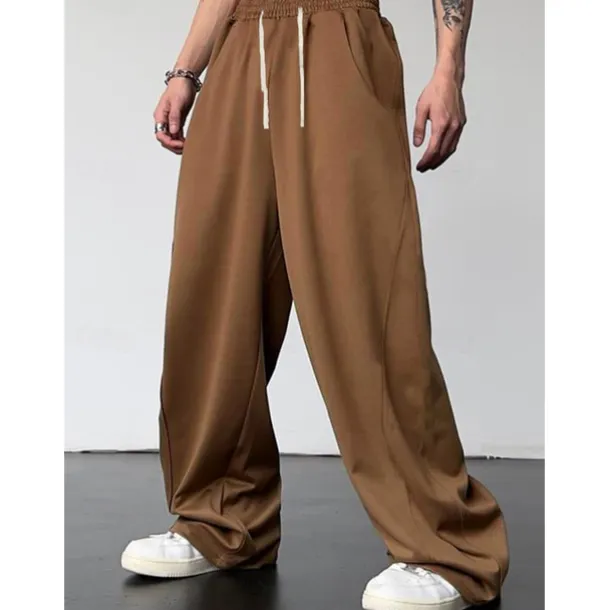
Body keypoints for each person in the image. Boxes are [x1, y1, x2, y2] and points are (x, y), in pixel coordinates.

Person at [121, 1, 509, 608]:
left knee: (367, 303)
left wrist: (448, 70)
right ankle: (221, 519)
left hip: (337, 37)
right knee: (212, 293)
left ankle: (447, 548)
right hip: (239, 48)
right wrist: (185, 72)